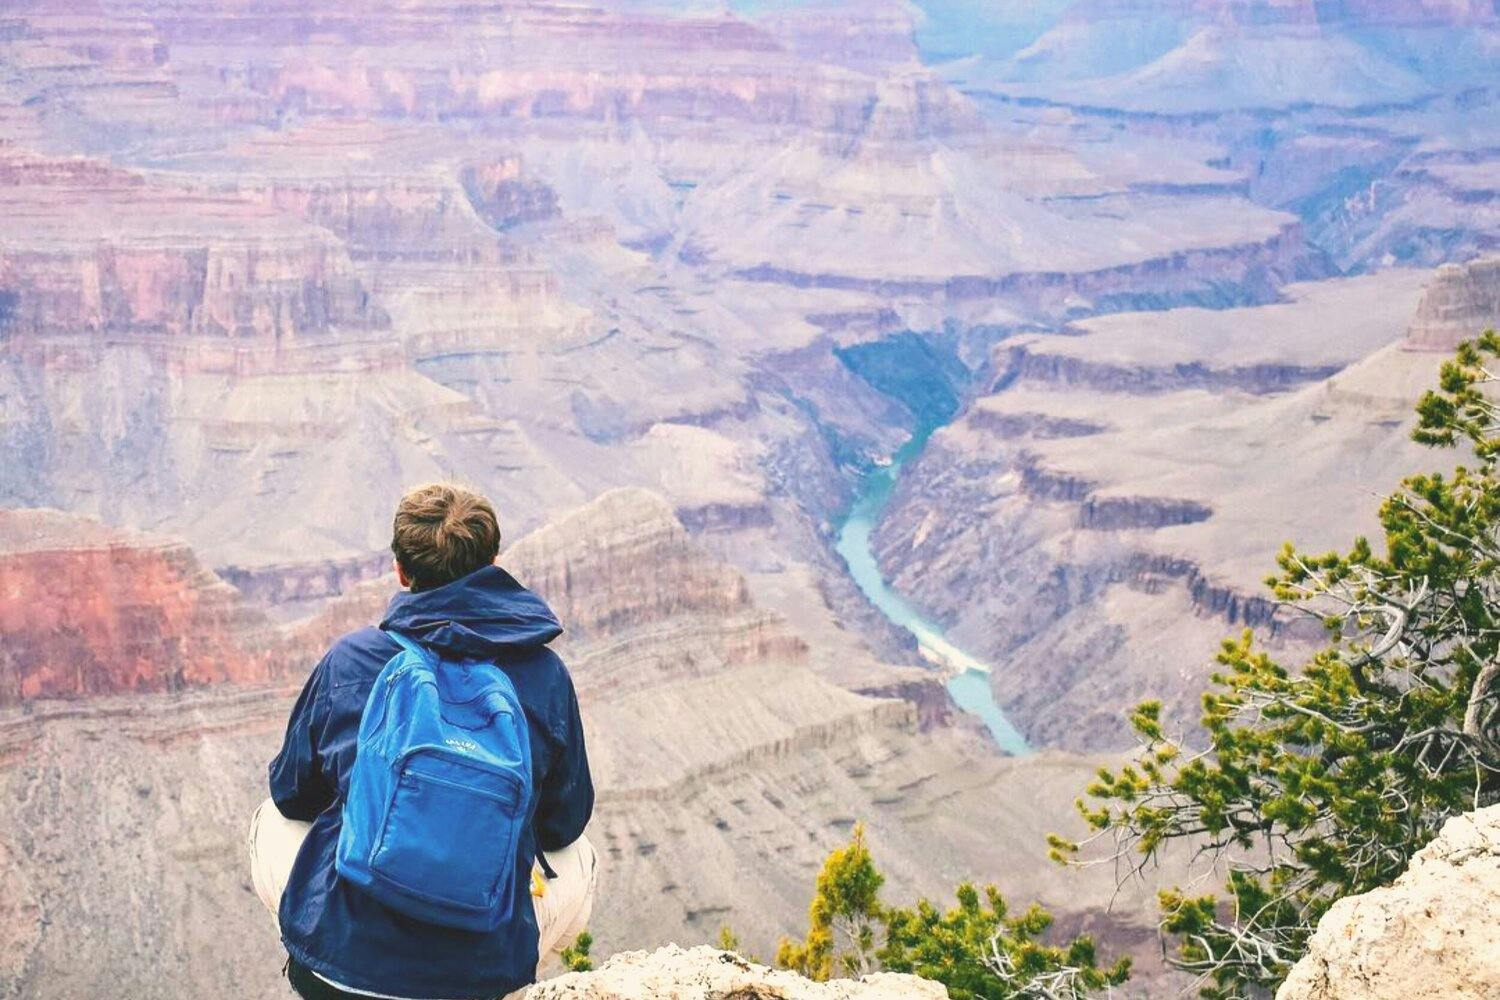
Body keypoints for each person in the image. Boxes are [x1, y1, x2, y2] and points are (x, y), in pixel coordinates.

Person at [247, 483, 596, 1000]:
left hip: (340, 976)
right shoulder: (544, 677)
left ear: (401, 571)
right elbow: (564, 823)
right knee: (581, 856)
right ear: (493, 562)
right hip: (477, 981)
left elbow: (292, 792)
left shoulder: (353, 660)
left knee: (270, 820)